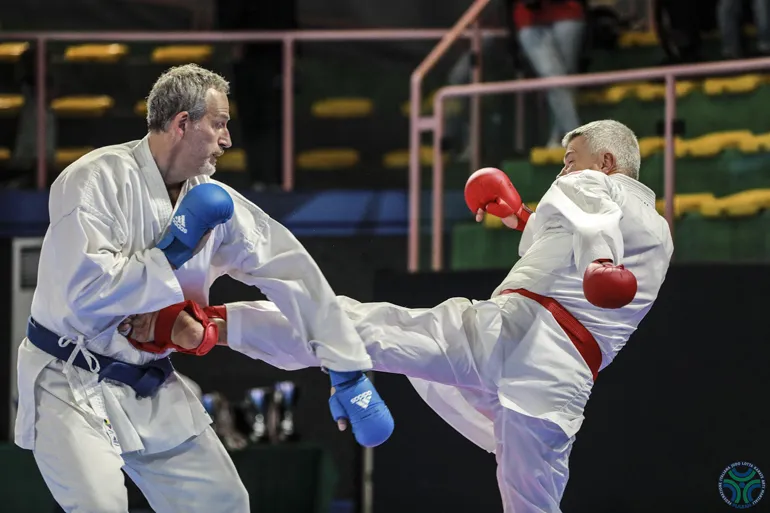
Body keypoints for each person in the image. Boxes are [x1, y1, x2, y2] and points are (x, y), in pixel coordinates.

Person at [122, 119, 673, 512]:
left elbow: (591, 219)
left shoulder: (598, 190)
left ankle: (213, 325)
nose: (562, 172)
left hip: (509, 333)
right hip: (556, 381)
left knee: (356, 327)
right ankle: (214, 326)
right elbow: (572, 238)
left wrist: (601, 261)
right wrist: (522, 216)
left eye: (569, 161)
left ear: (605, 162)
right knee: (531, 503)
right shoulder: (655, 235)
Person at [16, 63, 393, 513]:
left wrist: (344, 365)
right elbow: (87, 292)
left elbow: (291, 271)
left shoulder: (214, 202)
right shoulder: (95, 179)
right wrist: (171, 254)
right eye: (219, 124)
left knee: (224, 503)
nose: (228, 140)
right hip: (67, 380)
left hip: (148, 382)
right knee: (99, 506)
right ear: (182, 123)